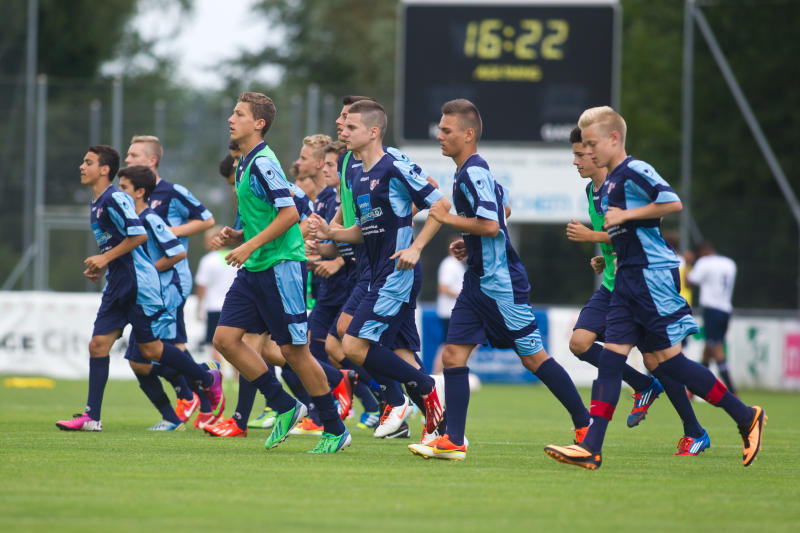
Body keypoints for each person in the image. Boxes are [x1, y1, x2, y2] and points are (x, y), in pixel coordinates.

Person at [544, 106, 765, 469]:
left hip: (651, 277)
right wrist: (610, 254)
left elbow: (671, 202)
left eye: (592, 144)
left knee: (670, 363)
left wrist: (626, 216)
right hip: (627, 278)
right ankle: (592, 448)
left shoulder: (634, 169)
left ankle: (745, 415)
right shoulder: (608, 184)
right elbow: (629, 231)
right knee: (613, 361)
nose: (588, 151)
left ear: (614, 138)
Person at [407, 99, 589, 461]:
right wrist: (469, 241)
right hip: (477, 281)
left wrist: (446, 218)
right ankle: (453, 440)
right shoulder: (470, 172)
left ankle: (586, 425)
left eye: (446, 130)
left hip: (501, 284)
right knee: (453, 356)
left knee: (533, 359)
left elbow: (491, 224)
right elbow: (501, 210)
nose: (439, 135)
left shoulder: (473, 172)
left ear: (468, 134)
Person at [211, 91, 350, 453]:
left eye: (239, 114)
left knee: (294, 352)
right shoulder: (244, 163)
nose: (231, 119)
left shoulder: (263, 162)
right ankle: (286, 405)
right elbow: (267, 215)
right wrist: (240, 235)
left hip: (280, 267)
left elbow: (289, 215)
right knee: (225, 340)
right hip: (255, 268)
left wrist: (248, 246)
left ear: (259, 124)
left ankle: (335, 428)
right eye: (232, 113)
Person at [308, 98, 446, 443]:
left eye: (351, 126)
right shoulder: (356, 173)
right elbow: (362, 231)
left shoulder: (393, 165)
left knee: (352, 345)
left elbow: (441, 205)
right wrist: (330, 233)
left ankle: (409, 395)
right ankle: (441, 430)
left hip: (395, 273)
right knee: (397, 353)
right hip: (372, 274)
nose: (343, 131)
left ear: (373, 132)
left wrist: (416, 247)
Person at [56, 146, 223, 431]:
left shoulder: (115, 198)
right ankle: (92, 417)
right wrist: (102, 265)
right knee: (98, 345)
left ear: (104, 169)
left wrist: (105, 259)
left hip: (137, 286)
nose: (81, 167)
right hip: (117, 284)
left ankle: (206, 380)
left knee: (151, 350)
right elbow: (118, 245)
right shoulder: (97, 202)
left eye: (88, 162)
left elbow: (139, 235)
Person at [565, 127, 710, 456]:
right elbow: (618, 235)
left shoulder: (623, 182)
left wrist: (593, 238)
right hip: (614, 284)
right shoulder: (592, 191)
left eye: (581, 153)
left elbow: (637, 229)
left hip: (640, 284)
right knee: (579, 343)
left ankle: (695, 429)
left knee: (659, 360)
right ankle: (642, 385)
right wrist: (605, 258)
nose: (576, 160)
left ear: (597, 150)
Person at [124, 135, 217, 423]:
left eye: (134, 155)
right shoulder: (127, 197)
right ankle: (197, 393)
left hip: (169, 280)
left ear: (152, 160)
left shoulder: (172, 192)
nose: (127, 159)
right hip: (145, 284)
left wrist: (168, 232)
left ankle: (195, 395)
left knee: (157, 349)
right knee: (166, 349)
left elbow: (207, 219)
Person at [687, 241, 738, 394]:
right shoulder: (730, 263)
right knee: (708, 349)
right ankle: (694, 391)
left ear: (701, 252)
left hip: (712, 310)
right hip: (726, 310)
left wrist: (688, 264)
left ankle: (732, 390)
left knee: (716, 348)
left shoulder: (704, 262)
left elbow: (689, 282)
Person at [195, 225, 238, 375]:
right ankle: (238, 377)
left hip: (214, 307)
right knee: (237, 344)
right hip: (234, 307)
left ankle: (219, 377)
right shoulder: (236, 256)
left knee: (214, 345)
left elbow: (202, 286)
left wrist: (199, 307)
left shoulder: (208, 260)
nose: (206, 242)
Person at [432, 234, 467, 374]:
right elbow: (443, 288)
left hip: (455, 311)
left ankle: (446, 373)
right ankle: (436, 375)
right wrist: (465, 297)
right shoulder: (449, 264)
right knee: (447, 345)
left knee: (454, 345)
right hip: (449, 311)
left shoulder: (457, 265)